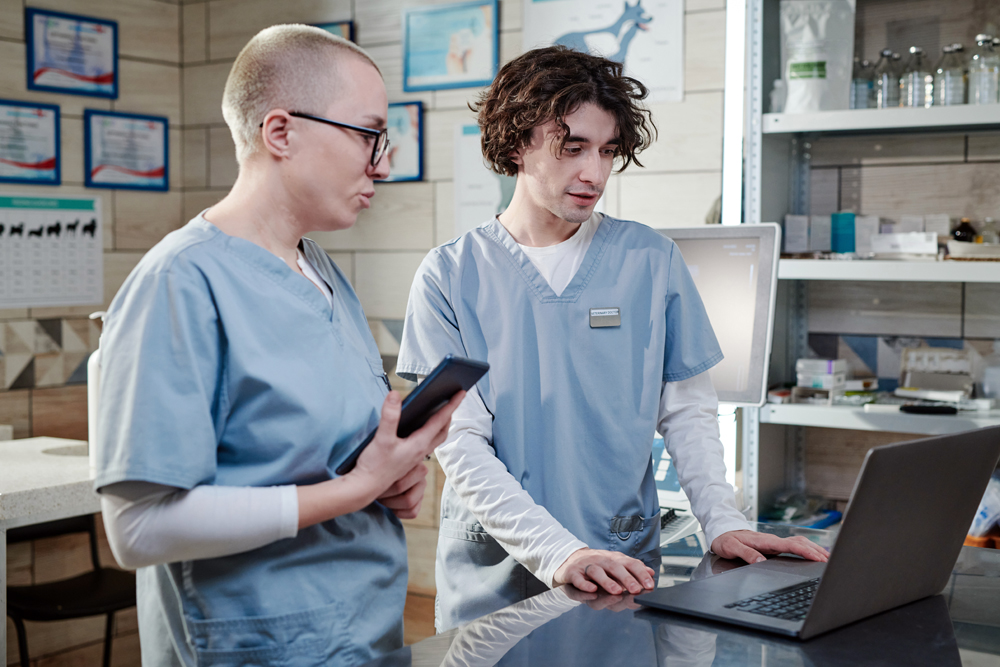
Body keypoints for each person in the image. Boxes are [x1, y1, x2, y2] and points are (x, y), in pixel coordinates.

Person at [396, 46, 828, 631]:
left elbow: (689, 415)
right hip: (491, 576)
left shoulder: (651, 260)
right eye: (572, 148)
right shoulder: (450, 274)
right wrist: (559, 552)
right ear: (517, 142)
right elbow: (461, 444)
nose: (594, 173)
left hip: (619, 567)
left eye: (607, 151)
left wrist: (721, 521)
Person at [94, 25, 463, 666]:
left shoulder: (316, 271)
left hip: (362, 635)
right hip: (255, 644)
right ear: (280, 132)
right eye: (369, 134)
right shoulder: (180, 281)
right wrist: (353, 491)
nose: (384, 162)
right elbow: (138, 529)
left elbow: (318, 458)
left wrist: (386, 482)